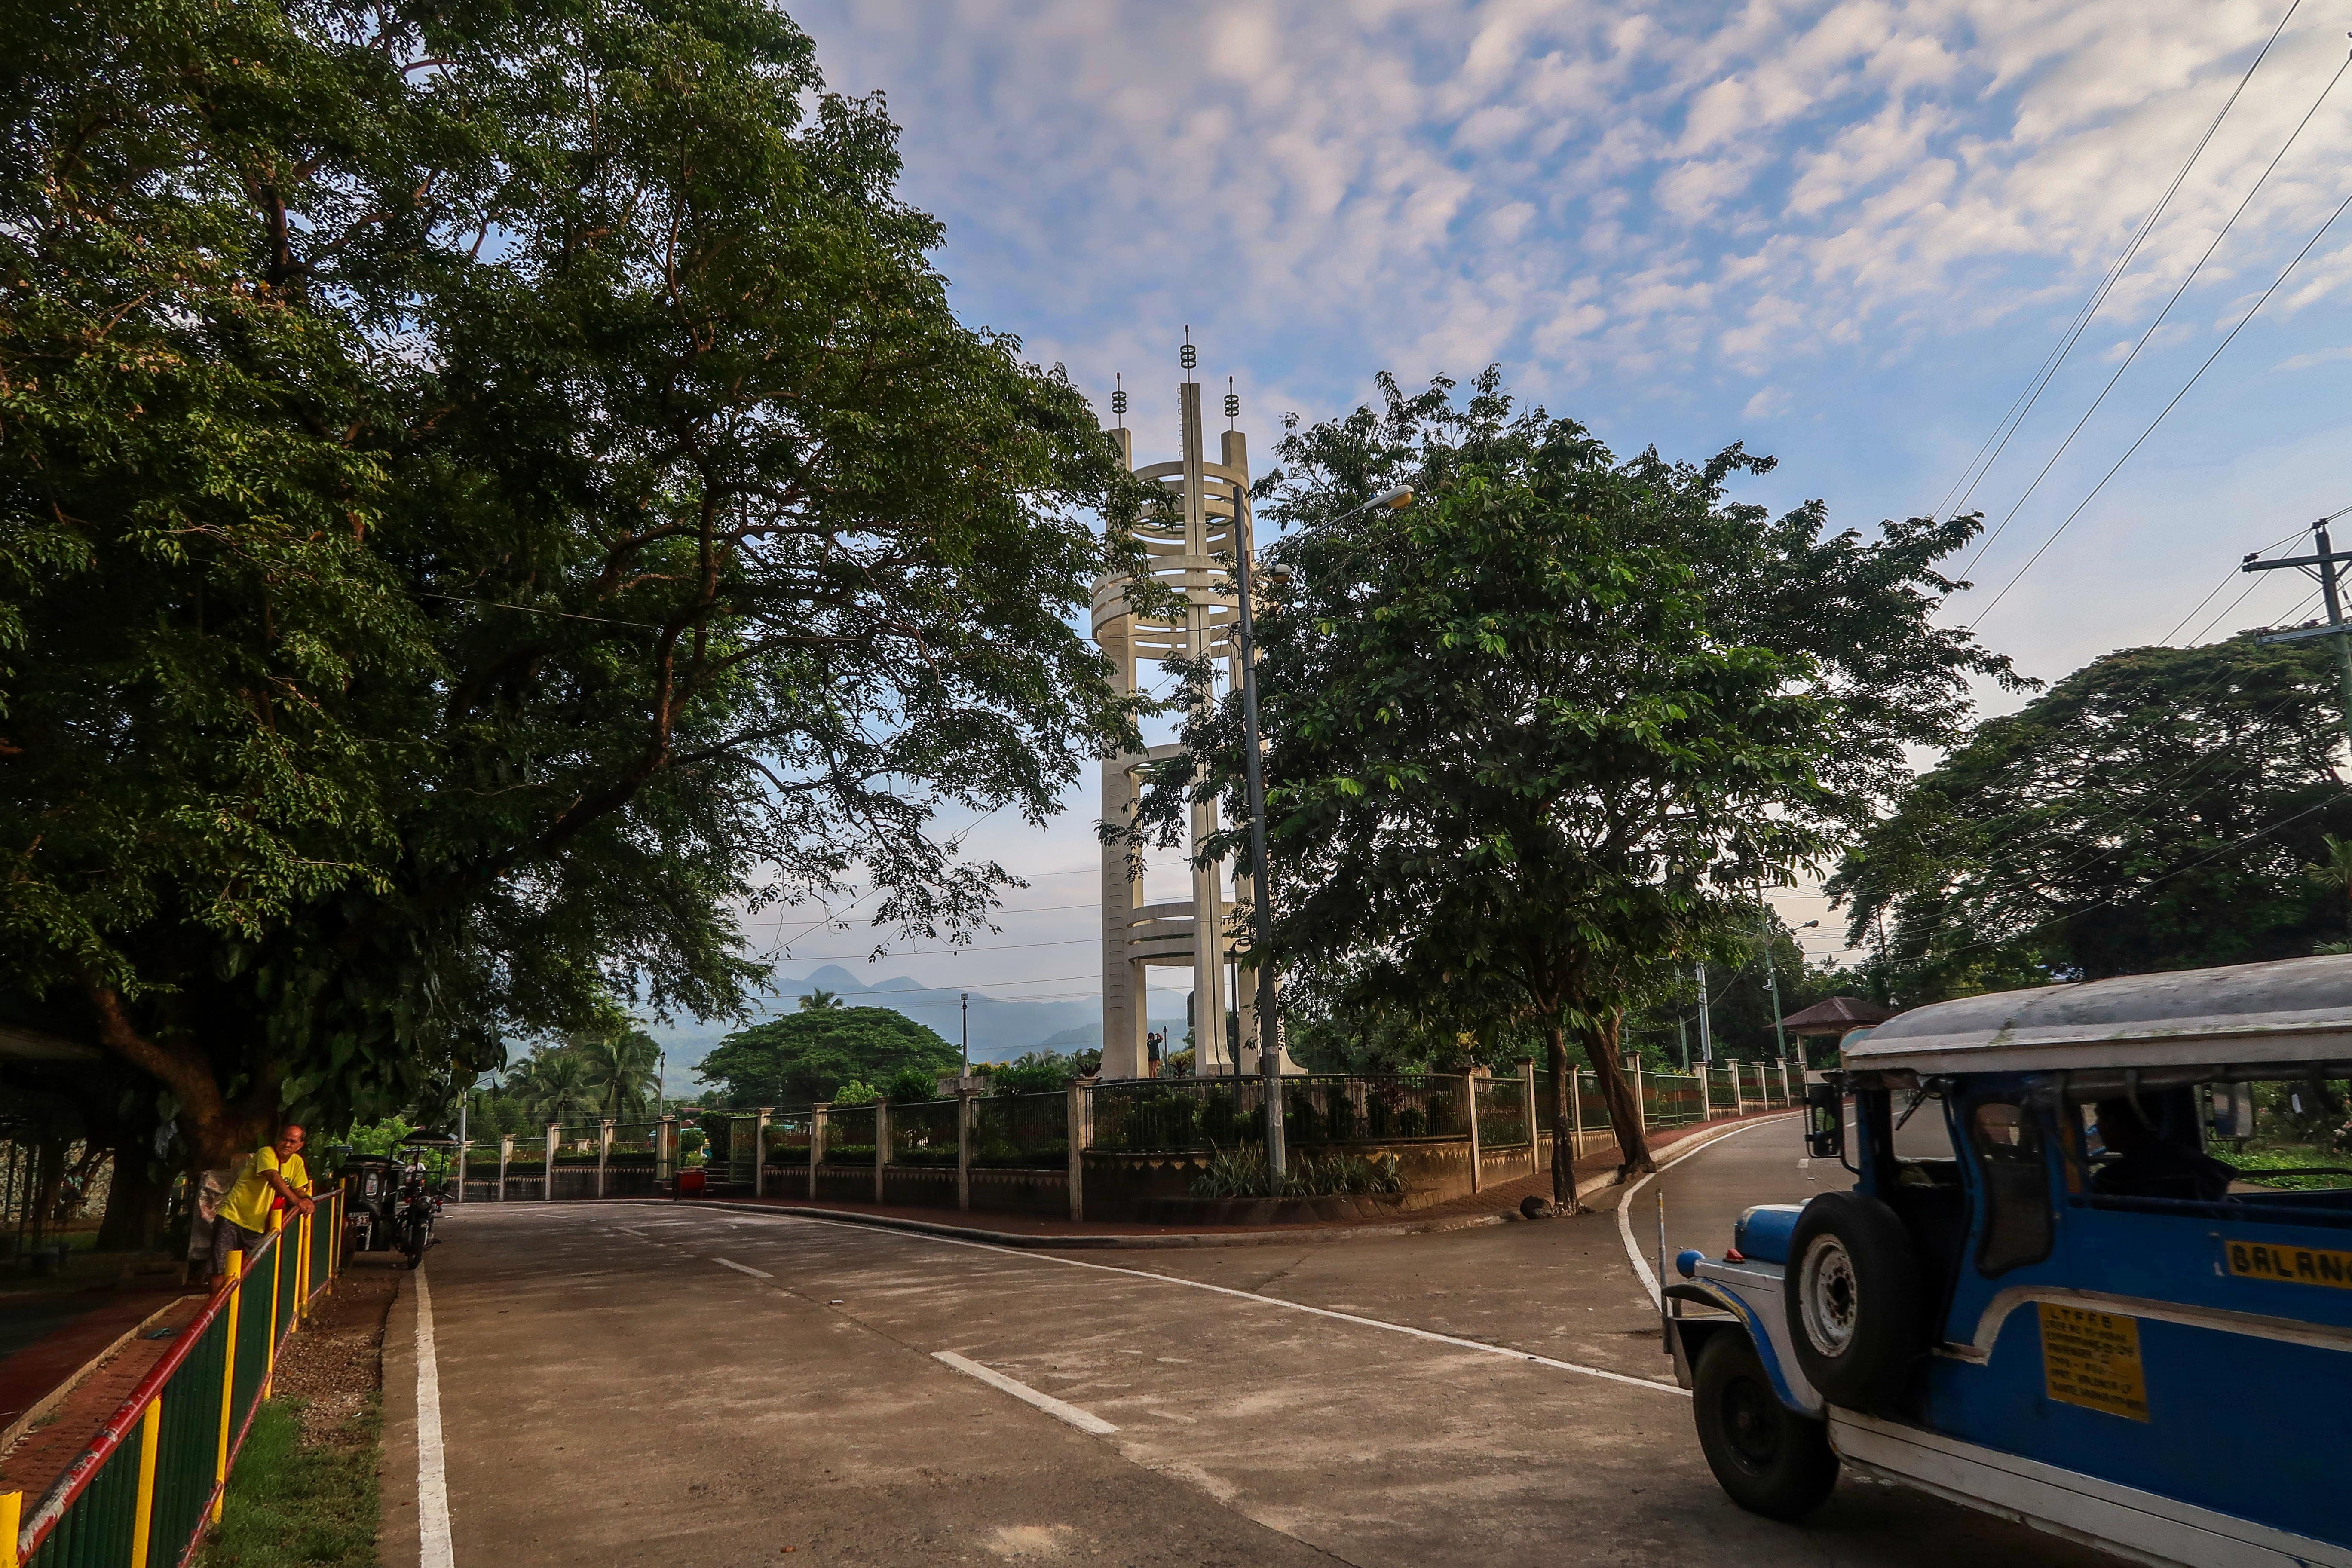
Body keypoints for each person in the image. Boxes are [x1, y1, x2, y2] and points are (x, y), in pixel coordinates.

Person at [211, 1124, 315, 1282]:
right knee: (221, 1270)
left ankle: (240, 1306)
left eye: (293, 1142)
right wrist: (297, 1202)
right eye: (284, 1140)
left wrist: (307, 1200)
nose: (287, 1144)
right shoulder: (266, 1153)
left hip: (259, 1226)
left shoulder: (297, 1162)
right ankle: (220, 1306)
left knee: (254, 1271)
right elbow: (273, 1177)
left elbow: (299, 1189)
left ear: (300, 1145)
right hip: (233, 1217)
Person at [2090, 1098, 2235, 1202]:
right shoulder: (2204, 1166)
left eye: (2100, 1118)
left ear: (2112, 1123)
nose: (2098, 1126)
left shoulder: (2113, 1180)